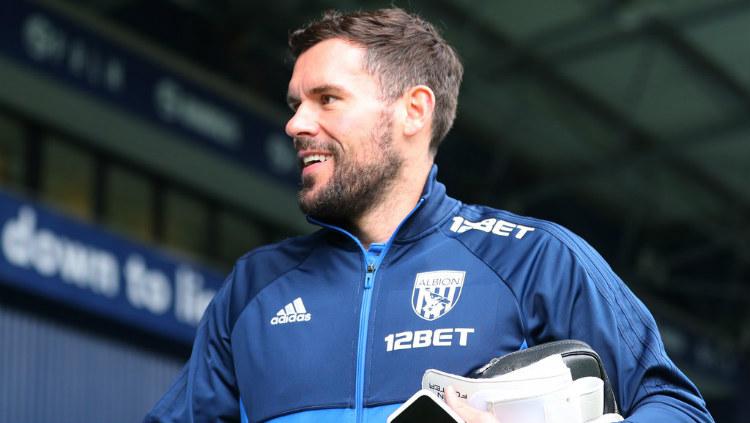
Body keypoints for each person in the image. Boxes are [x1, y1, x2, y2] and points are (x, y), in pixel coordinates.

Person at [145, 7, 714, 423]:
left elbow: (678, 408)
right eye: (295, 105)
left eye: (326, 99)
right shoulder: (253, 288)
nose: (296, 124)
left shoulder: (535, 260)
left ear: (413, 110)